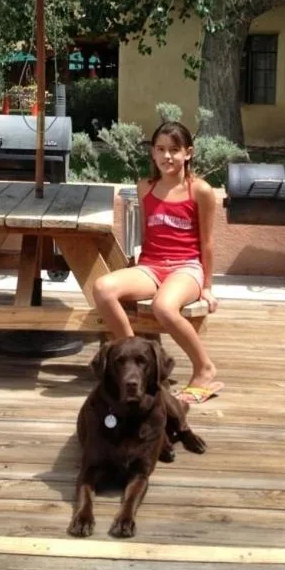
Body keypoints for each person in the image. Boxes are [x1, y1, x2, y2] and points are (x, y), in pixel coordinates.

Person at [92, 120, 223, 404]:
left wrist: (207, 287)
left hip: (186, 268)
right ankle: (134, 359)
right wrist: (136, 265)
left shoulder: (200, 190)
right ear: (152, 152)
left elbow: (207, 243)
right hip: (151, 266)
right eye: (160, 149)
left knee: (164, 306)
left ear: (188, 153)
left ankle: (205, 368)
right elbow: (145, 233)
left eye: (174, 150)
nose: (167, 156)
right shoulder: (145, 188)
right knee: (102, 288)